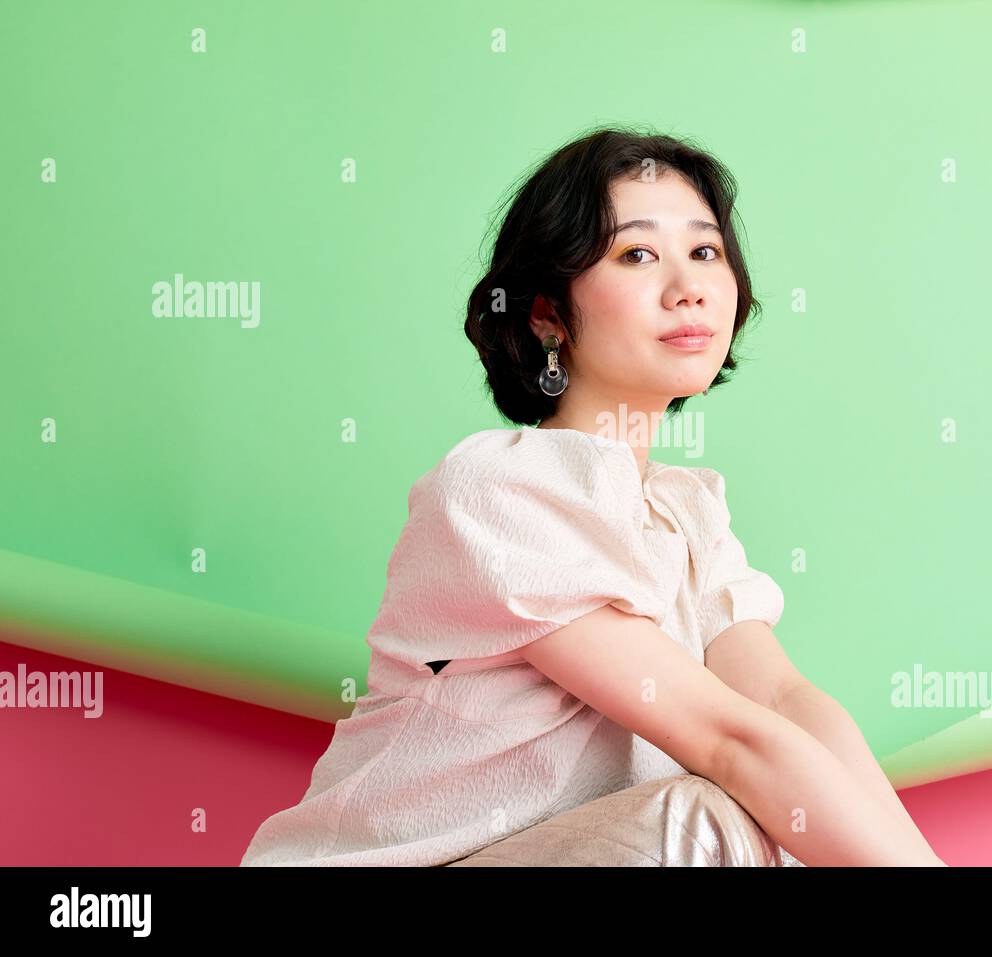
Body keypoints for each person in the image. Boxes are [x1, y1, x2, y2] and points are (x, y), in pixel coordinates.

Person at [240, 126, 946, 867]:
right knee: (711, 819)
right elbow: (727, 739)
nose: (690, 286)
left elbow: (786, 709)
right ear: (547, 313)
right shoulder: (494, 491)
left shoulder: (686, 514)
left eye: (705, 251)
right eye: (637, 254)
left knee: (797, 809)